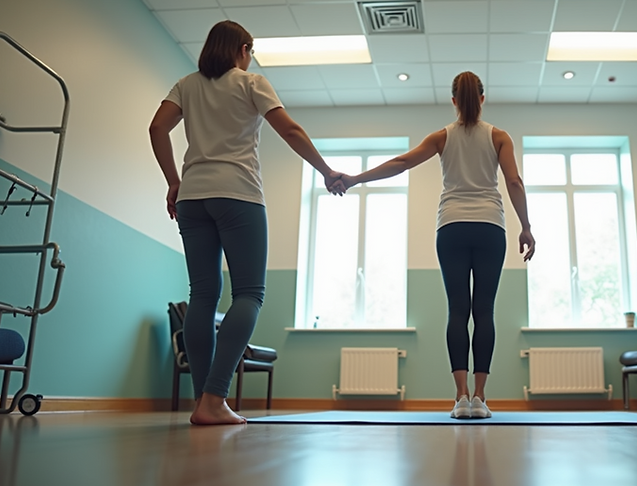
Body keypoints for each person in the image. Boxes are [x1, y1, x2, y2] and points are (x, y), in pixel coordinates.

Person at [149, 20, 339, 425]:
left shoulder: (186, 84)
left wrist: (173, 181)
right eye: (248, 52)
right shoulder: (251, 82)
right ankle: (215, 399)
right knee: (249, 293)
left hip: (193, 197)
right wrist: (324, 169)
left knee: (202, 296)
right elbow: (288, 129)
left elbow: (157, 128)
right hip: (238, 193)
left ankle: (203, 401)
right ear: (243, 48)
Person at [332, 72, 535, 419]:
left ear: (453, 101)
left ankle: (460, 398)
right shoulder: (499, 137)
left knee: (458, 310)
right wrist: (526, 227)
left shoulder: (442, 137)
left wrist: (355, 178)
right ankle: (481, 399)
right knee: (483, 310)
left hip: (451, 227)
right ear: (483, 99)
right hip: (490, 227)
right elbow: (513, 180)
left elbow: (402, 163)